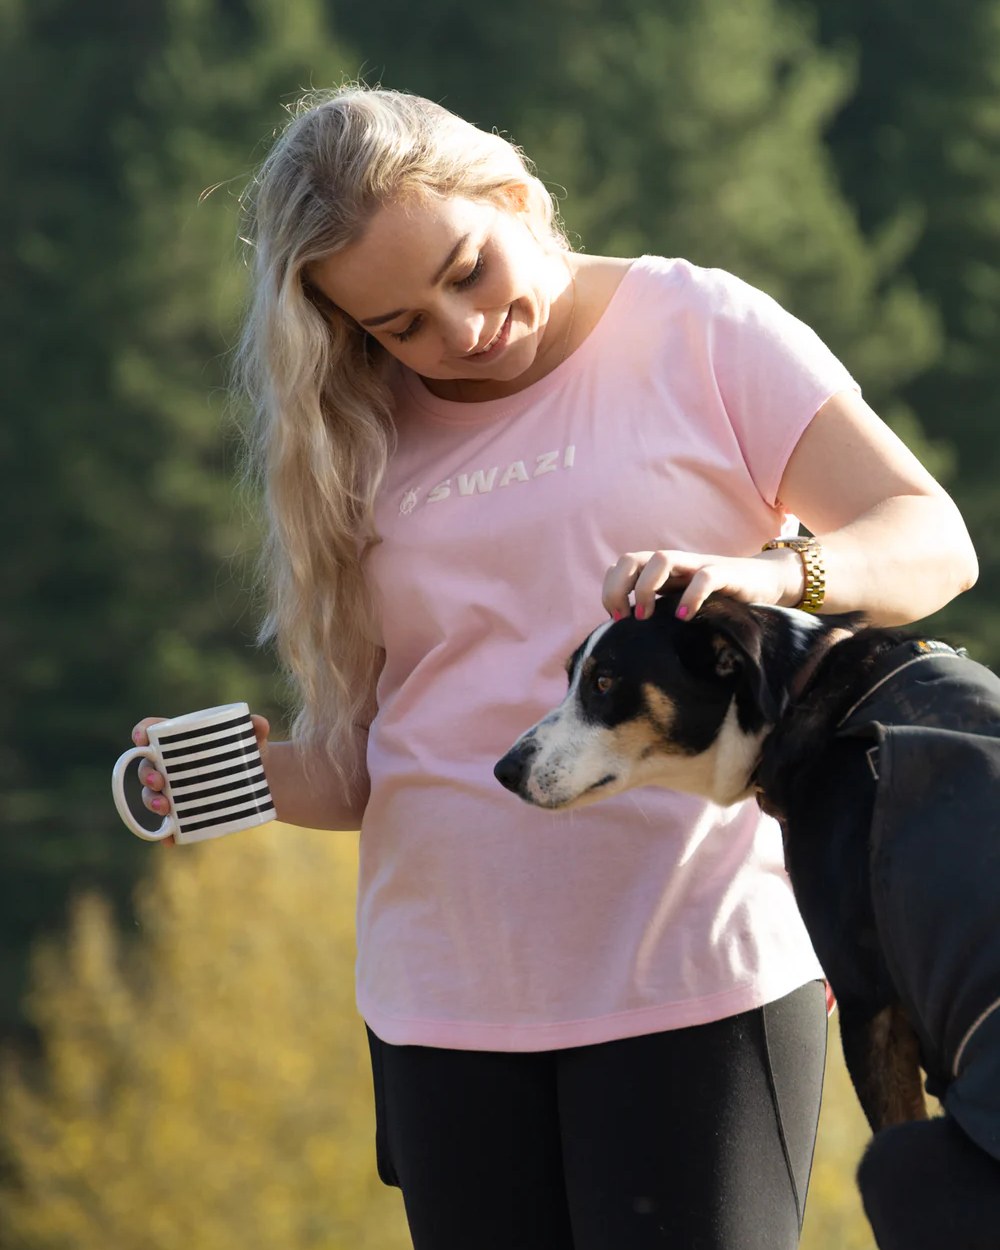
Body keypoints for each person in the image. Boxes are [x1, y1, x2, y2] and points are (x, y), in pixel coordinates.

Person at [129, 85, 978, 1250]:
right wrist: (243, 774)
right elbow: (381, 763)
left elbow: (931, 540)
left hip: (699, 971)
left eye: (467, 271)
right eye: (397, 325)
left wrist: (768, 574)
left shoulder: (701, 326)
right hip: (439, 1004)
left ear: (516, 195)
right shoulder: (354, 427)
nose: (457, 332)